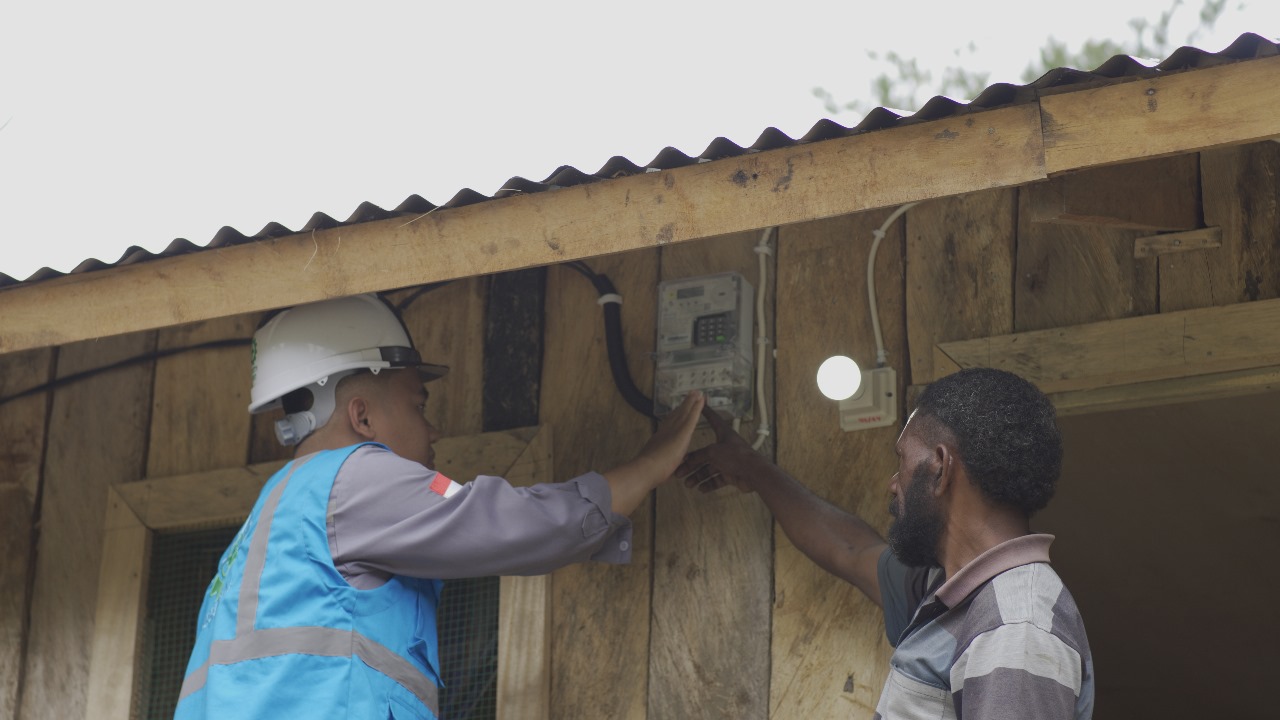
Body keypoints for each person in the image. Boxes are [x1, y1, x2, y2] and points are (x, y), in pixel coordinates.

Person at [175, 293, 705, 719]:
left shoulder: (277, 508)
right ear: (361, 417)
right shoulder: (355, 476)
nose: (434, 430)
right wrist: (650, 466)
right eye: (419, 406)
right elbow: (513, 525)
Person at [679, 367, 1094, 720]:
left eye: (902, 462)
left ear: (939, 468)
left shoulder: (1014, 623)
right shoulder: (952, 591)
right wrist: (749, 468)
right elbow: (850, 550)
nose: (892, 483)